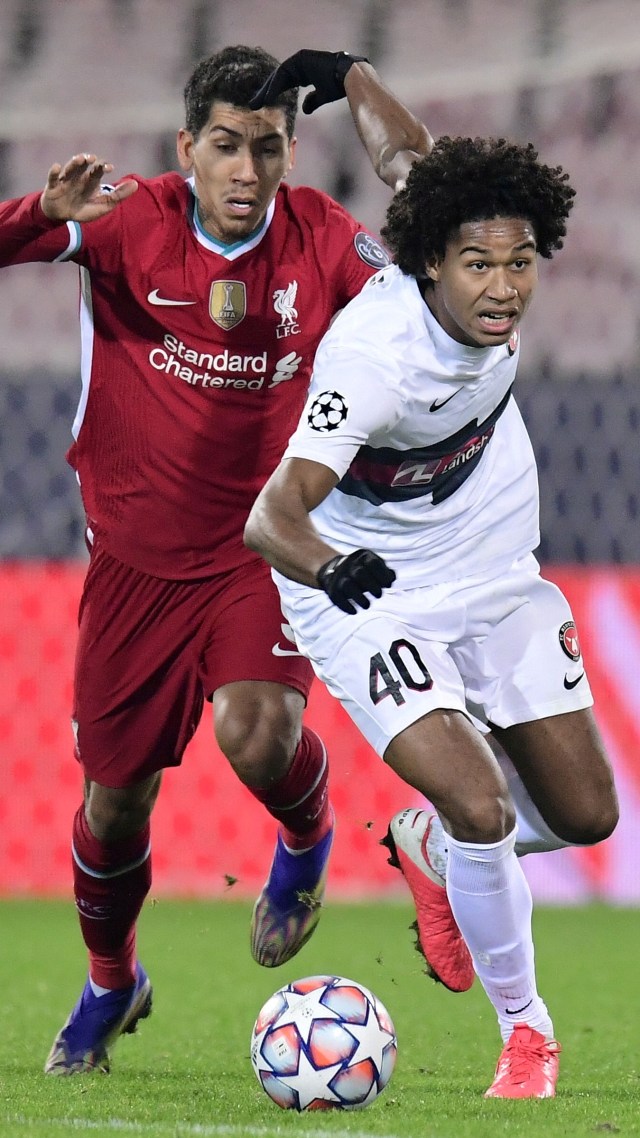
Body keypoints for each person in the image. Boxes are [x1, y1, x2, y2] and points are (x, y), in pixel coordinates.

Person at [0, 46, 433, 1075]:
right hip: (132, 565)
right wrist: (33, 211)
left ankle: (305, 839)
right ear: (188, 147)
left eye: (269, 148)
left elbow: (417, 289)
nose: (247, 171)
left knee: (254, 728)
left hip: (256, 547)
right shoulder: (123, 219)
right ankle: (112, 980)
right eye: (228, 147)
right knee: (113, 803)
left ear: (290, 152)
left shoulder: (322, 239)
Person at [244, 134, 619, 1099]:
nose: (504, 288)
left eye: (522, 262)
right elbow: (271, 517)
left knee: (587, 814)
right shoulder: (374, 361)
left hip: (492, 566)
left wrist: (353, 70)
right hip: (367, 591)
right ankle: (527, 1037)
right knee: (483, 800)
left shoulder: (472, 265)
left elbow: (409, 152)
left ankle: (434, 850)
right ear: (429, 265)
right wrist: (335, 568)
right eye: (480, 264)